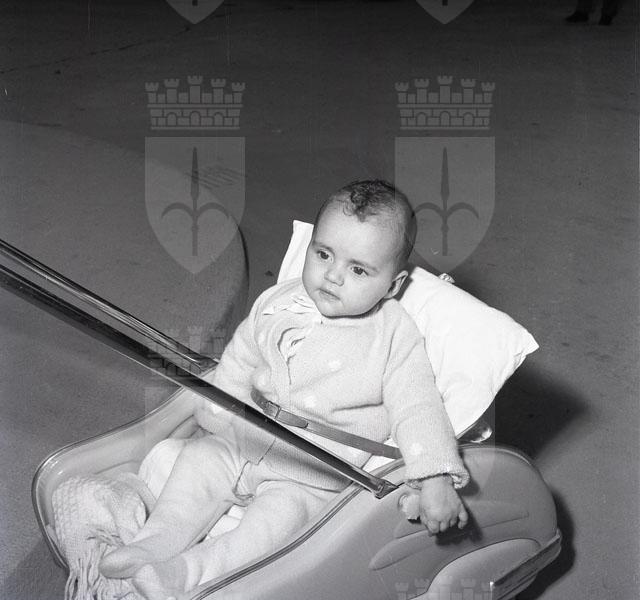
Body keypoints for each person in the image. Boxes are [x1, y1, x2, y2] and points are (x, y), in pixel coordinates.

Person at [100, 180, 470, 600]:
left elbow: (417, 406)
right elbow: (242, 354)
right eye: (323, 254)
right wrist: (216, 412)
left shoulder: (393, 335)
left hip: (310, 474)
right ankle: (153, 543)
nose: (333, 276)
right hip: (245, 439)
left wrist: (435, 477)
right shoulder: (280, 299)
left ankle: (188, 574)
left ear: (393, 284)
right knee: (196, 465)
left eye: (358, 270)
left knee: (276, 527)